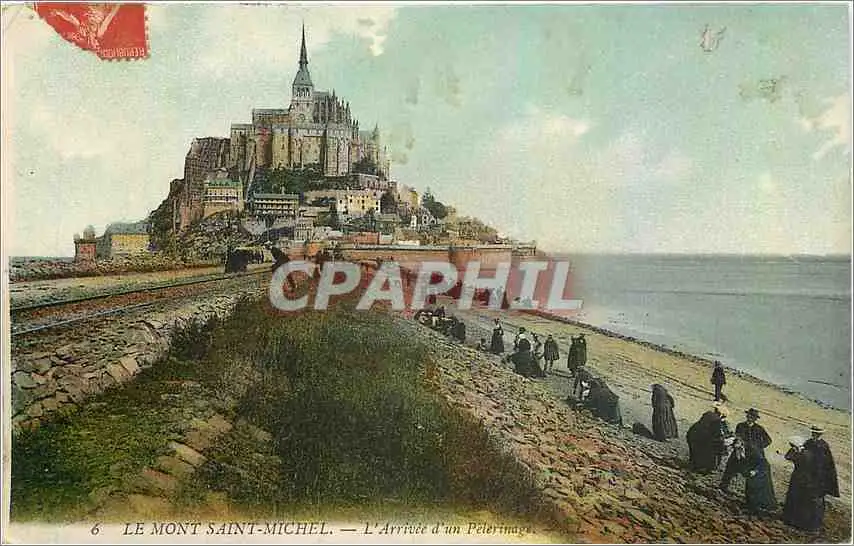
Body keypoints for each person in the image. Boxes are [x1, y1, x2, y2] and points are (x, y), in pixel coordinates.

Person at [720, 408, 772, 492]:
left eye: (752, 416)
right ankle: (723, 486)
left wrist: (758, 447)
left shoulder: (759, 429)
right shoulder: (740, 425)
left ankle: (750, 493)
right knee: (730, 466)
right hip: (740, 451)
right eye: (749, 415)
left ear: (755, 419)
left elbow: (768, 440)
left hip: (752, 454)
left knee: (752, 473)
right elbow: (737, 436)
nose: (750, 417)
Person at [783, 436, 825, 531]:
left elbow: (805, 466)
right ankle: (792, 519)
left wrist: (796, 452)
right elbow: (787, 457)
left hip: (804, 479)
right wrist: (795, 450)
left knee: (800, 499)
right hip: (798, 477)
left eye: (793, 446)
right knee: (794, 497)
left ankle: (799, 521)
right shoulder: (800, 452)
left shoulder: (806, 454)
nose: (792, 447)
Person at [803, 425, 839, 500]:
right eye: (813, 433)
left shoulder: (823, 445)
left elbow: (827, 462)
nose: (813, 434)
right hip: (808, 470)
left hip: (819, 472)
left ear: (819, 434)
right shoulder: (808, 442)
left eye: (815, 433)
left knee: (817, 492)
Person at [740, 440, 776, 515]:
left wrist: (755, 471)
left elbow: (763, 462)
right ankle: (750, 504)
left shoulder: (753, 450)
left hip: (761, 470)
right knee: (749, 486)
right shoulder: (740, 450)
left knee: (757, 487)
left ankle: (758, 507)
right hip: (752, 469)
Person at [686, 406, 727, 473]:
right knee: (716, 447)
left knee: (695, 451)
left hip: (692, 434)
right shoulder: (717, 420)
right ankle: (706, 467)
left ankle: (694, 464)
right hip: (701, 438)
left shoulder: (708, 414)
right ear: (721, 415)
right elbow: (716, 434)